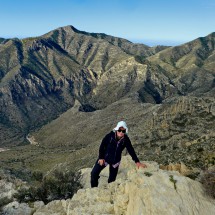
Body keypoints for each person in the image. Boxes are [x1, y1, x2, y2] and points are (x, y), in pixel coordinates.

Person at [91, 121, 147, 187]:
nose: (121, 132)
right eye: (119, 130)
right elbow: (102, 146)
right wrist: (101, 158)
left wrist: (137, 162)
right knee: (94, 173)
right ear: (117, 129)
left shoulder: (125, 140)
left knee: (112, 180)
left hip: (115, 161)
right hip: (105, 158)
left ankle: (109, 191)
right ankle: (94, 188)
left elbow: (131, 150)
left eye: (123, 131)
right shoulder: (109, 136)